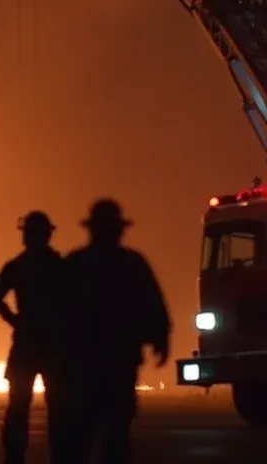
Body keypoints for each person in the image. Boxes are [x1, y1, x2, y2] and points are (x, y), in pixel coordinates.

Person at [60, 199, 170, 464]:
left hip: (86, 362)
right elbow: (153, 304)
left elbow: (59, 310)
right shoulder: (131, 263)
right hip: (116, 359)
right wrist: (160, 338)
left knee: (83, 431)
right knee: (114, 430)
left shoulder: (76, 263)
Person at [0, 210, 67, 464]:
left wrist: (14, 320)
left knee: (19, 407)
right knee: (57, 409)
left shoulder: (18, 265)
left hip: (28, 343)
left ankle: (14, 458)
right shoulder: (60, 267)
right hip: (52, 345)